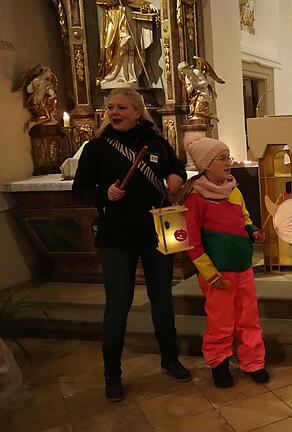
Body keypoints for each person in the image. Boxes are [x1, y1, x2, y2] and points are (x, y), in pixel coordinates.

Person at [73, 87, 190, 402]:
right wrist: (104, 194)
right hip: (117, 237)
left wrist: (177, 177)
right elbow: (80, 189)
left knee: (162, 298)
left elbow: (176, 167)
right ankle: (112, 374)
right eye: (110, 107)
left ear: (138, 112)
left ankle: (170, 359)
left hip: (156, 232)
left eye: (122, 107)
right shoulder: (96, 148)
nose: (114, 112)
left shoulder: (156, 142)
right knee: (117, 305)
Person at [180, 137, 269, 388]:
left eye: (228, 157)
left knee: (248, 317)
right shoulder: (196, 198)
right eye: (222, 158)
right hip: (218, 273)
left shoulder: (234, 190)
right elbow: (193, 243)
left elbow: (244, 218)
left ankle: (253, 362)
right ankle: (219, 363)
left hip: (242, 266)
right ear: (207, 164)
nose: (228, 163)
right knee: (221, 321)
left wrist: (253, 231)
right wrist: (210, 273)